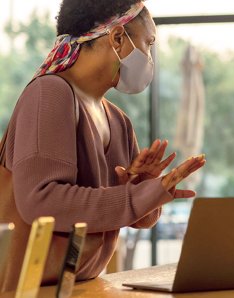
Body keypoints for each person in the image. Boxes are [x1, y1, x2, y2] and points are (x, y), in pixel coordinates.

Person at [0, 0, 206, 291]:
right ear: (118, 38)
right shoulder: (50, 92)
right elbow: (40, 201)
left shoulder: (119, 120)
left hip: (79, 286)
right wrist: (134, 198)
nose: (150, 56)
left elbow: (134, 215)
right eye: (148, 43)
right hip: (26, 291)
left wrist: (145, 191)